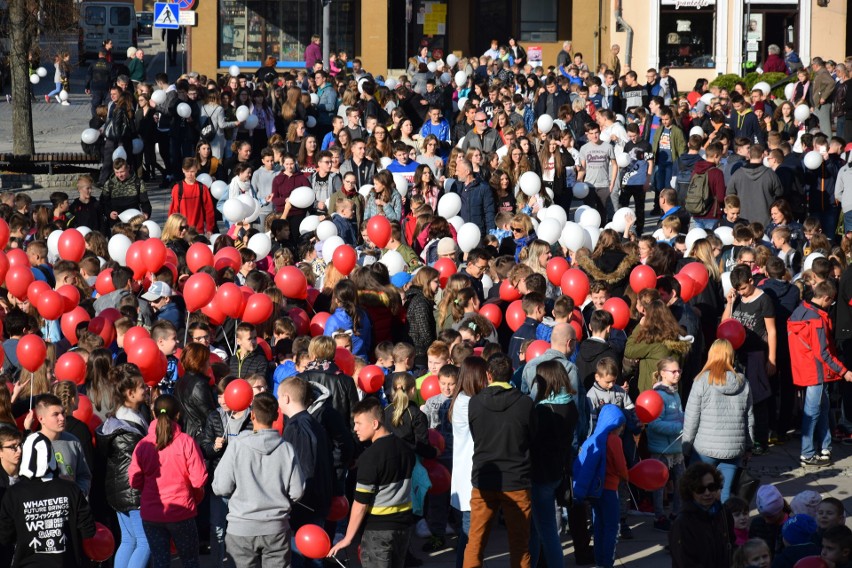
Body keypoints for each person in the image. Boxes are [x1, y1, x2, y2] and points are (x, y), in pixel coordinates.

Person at [212, 392, 304, 566]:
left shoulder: (237, 446)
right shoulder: (287, 449)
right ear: (277, 416)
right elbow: (297, 491)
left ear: (252, 415)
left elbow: (221, 487)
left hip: (241, 528)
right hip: (276, 527)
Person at [464, 353, 534, 568]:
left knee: (475, 542)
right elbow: (531, 437)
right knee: (520, 545)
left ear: (488, 375)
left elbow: (477, 436)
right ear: (511, 373)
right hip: (516, 479)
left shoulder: (475, 403)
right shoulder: (525, 403)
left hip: (484, 479)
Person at [328, 397, 415, 567]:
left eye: (359, 423)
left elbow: (360, 504)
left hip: (378, 530)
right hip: (404, 526)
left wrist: (348, 538)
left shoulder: (370, 457)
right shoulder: (405, 447)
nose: (355, 429)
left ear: (375, 424)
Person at [129, 394, 208, 568]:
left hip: (152, 513)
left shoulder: (143, 445)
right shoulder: (186, 442)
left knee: (160, 561)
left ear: (154, 415)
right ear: (178, 415)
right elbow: (199, 479)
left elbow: (135, 481)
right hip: (181, 511)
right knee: (190, 560)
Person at [0, 432, 96, 566]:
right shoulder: (71, 489)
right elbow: (88, 530)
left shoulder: (13, 493)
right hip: (65, 562)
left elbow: (5, 536)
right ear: (51, 456)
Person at [787, 280, 852, 467]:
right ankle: (807, 453)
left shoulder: (801, 310)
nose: (831, 306)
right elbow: (823, 352)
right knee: (813, 412)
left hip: (804, 368)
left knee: (822, 409)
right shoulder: (816, 320)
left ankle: (825, 447)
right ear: (825, 298)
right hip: (816, 371)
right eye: (830, 302)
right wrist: (844, 371)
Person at [682, 339, 754, 501]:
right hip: (733, 448)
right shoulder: (743, 383)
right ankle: (723, 525)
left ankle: (700, 525)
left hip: (704, 449)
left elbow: (691, 417)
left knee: (697, 491)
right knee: (725, 493)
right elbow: (748, 417)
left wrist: (686, 446)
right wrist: (749, 446)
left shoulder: (701, 381)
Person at [96, 364, 151, 568]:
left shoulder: (119, 419)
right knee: (145, 542)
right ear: (130, 393)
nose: (146, 389)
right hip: (133, 491)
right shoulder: (130, 426)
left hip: (119, 490)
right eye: (142, 387)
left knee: (129, 540)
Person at [528, 360, 578, 568]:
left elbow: (533, 442)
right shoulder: (570, 405)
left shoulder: (543, 410)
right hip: (559, 470)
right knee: (540, 526)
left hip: (542, 474)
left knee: (546, 529)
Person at [572, 404, 627, 568]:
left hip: (596, 491)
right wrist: (627, 476)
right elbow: (620, 465)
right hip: (610, 489)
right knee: (611, 527)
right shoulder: (614, 440)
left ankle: (599, 560)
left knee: (598, 526)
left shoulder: (595, 438)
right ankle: (607, 562)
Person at [669, 462, 732, 568]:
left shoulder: (724, 513)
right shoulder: (683, 523)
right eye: (700, 489)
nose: (707, 493)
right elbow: (686, 562)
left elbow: (732, 546)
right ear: (690, 491)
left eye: (711, 487)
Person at [452, 157, 495, 236]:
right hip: (460, 233)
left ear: (467, 172)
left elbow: (489, 213)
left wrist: (490, 234)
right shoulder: (456, 187)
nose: (456, 173)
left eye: (458, 171)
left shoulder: (483, 187)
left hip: (478, 233)